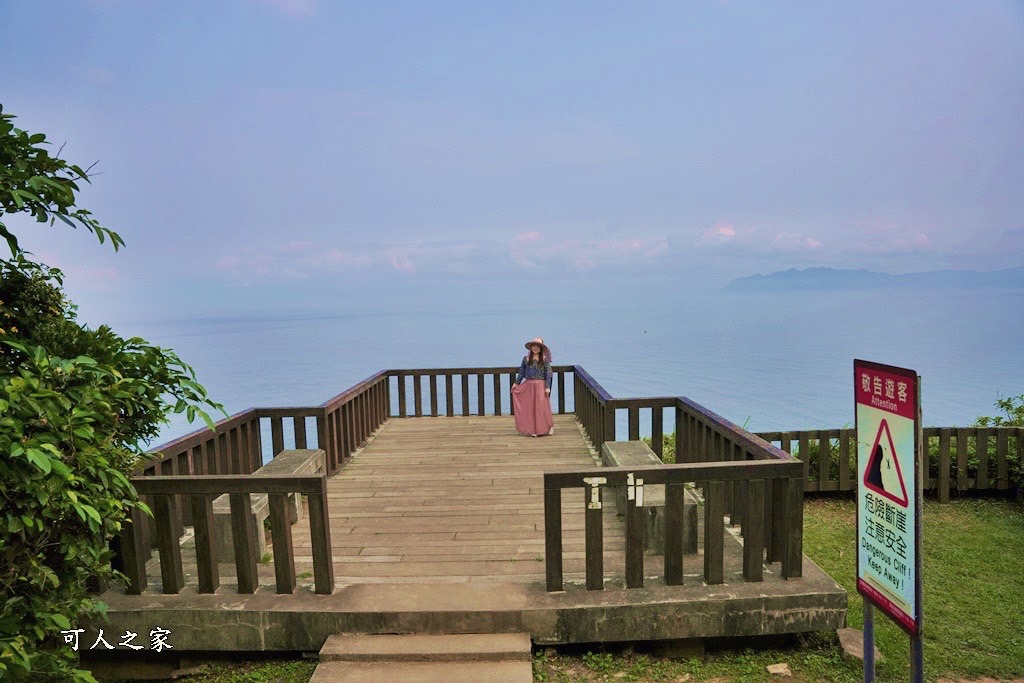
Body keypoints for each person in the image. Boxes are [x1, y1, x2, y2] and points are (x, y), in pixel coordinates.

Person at [511, 337, 554, 436]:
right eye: (533, 346)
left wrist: (547, 387)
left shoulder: (544, 359)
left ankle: (549, 426)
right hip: (529, 385)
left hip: (540, 385)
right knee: (530, 408)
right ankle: (534, 430)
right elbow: (521, 372)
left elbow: (548, 373)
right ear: (531, 347)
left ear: (541, 348)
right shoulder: (526, 359)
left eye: (537, 346)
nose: (535, 348)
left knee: (542, 407)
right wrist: (516, 383)